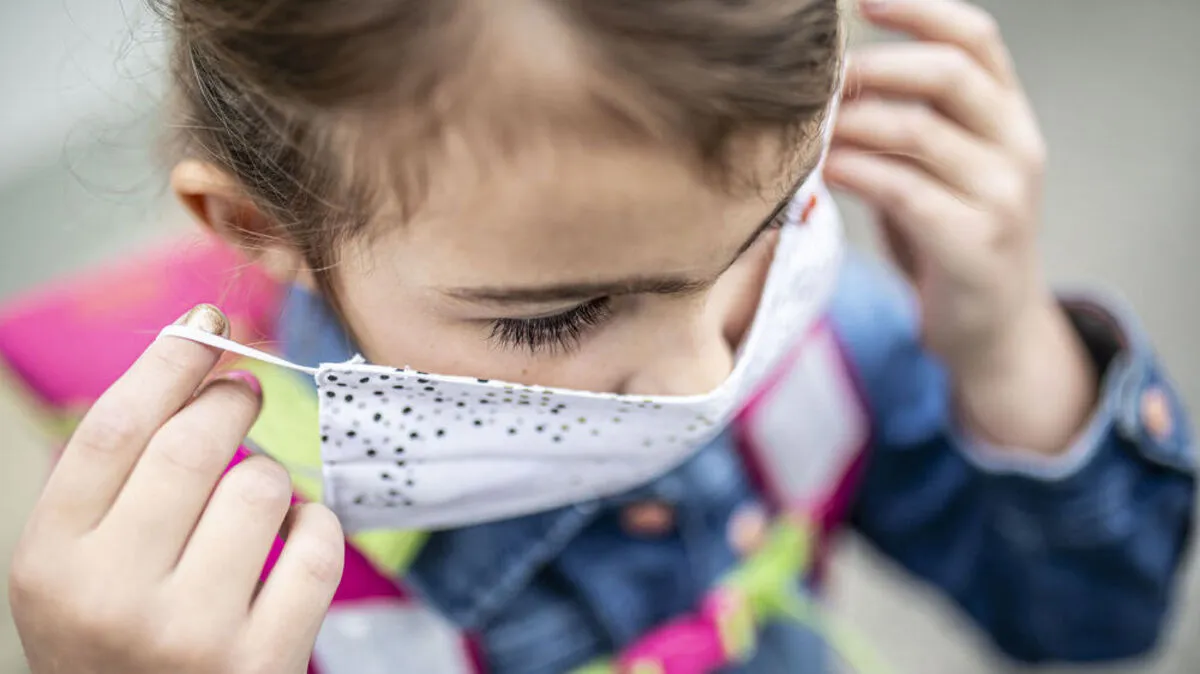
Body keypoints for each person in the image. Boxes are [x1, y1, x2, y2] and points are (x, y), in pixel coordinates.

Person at [7, 0, 1194, 673]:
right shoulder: (198, 597)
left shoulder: (821, 321)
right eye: (560, 313)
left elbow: (1089, 621)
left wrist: (1005, 345)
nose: (709, 371)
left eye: (783, 211)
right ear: (263, 225)